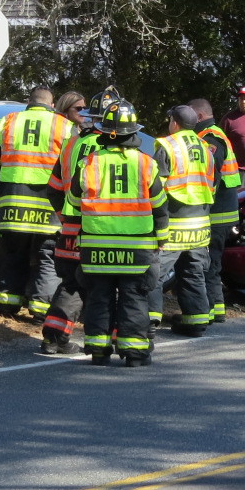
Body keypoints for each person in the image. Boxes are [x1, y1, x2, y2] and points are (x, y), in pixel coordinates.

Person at [64, 99, 168, 366]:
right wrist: (162, 238)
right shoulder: (146, 164)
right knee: (134, 297)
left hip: (97, 246)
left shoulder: (89, 163)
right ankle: (134, 354)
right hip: (136, 248)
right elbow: (160, 207)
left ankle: (99, 351)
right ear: (133, 133)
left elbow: (74, 201)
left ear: (103, 131)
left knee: (99, 296)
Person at [0, 87, 75, 319]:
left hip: (13, 201)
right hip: (48, 204)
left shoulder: (9, 121)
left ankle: (7, 304)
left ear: (28, 102)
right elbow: (71, 165)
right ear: (52, 104)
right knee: (48, 256)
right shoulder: (63, 126)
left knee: (13, 253)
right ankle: (40, 310)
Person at [41, 89, 101, 353]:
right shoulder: (109, 147)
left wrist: (66, 216)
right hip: (100, 230)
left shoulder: (72, 144)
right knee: (103, 285)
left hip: (70, 229)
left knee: (72, 284)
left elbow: (53, 188)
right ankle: (103, 341)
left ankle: (53, 339)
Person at [150, 105, 216, 337]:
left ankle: (149, 321)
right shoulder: (206, 148)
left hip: (174, 224)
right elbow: (211, 184)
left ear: (174, 123)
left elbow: (156, 187)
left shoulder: (168, 145)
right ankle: (196, 321)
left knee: (154, 273)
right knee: (193, 273)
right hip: (199, 224)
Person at [190, 97, 242, 323]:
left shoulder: (210, 138)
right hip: (221, 210)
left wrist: (200, 202)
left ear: (199, 116)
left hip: (216, 211)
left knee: (208, 262)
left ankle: (210, 311)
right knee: (212, 262)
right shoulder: (209, 135)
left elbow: (212, 176)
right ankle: (217, 309)